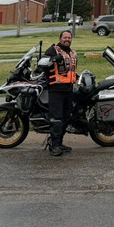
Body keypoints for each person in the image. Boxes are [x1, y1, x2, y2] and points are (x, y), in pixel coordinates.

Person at [43, 29, 77, 157]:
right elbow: (42, 63)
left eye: (69, 38)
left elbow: (70, 71)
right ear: (60, 38)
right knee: (56, 119)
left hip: (68, 90)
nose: (67, 40)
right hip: (56, 90)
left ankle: (60, 143)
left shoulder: (72, 53)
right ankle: (54, 146)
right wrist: (53, 59)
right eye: (65, 37)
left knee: (66, 118)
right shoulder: (53, 50)